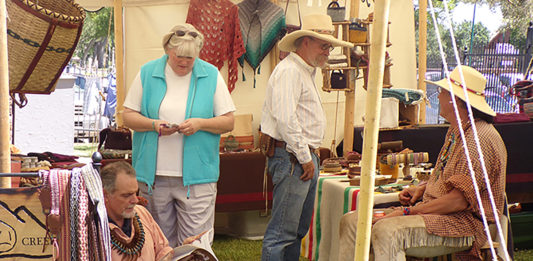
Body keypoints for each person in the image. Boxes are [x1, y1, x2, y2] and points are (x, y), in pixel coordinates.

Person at [338, 66, 507, 261]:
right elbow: (450, 179)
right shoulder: (456, 131)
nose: (438, 95)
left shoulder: (479, 139)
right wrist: (424, 188)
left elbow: (458, 201)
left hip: (464, 223)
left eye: (442, 91)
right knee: (352, 221)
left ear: (455, 100)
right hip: (440, 213)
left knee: (387, 229)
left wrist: (408, 211)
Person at [123, 23, 235, 248]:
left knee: (196, 245)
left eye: (190, 59)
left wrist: (200, 124)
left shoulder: (211, 74)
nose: (184, 62)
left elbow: (228, 121)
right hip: (153, 176)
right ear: (167, 50)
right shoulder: (147, 72)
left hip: (198, 179)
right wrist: (154, 125)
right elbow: (128, 117)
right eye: (178, 57)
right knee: (158, 244)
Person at [260, 14, 353, 261]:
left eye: (329, 46)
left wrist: (307, 157)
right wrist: (305, 157)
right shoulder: (290, 71)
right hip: (293, 158)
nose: (328, 51)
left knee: (294, 231)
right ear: (305, 42)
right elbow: (286, 119)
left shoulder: (302, 70)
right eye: (324, 45)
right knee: (282, 234)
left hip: (297, 157)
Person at [101, 161, 173, 261]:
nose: (135, 200)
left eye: (135, 193)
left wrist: (184, 251)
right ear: (105, 195)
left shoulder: (141, 213)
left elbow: (163, 251)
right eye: (127, 195)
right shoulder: (95, 230)